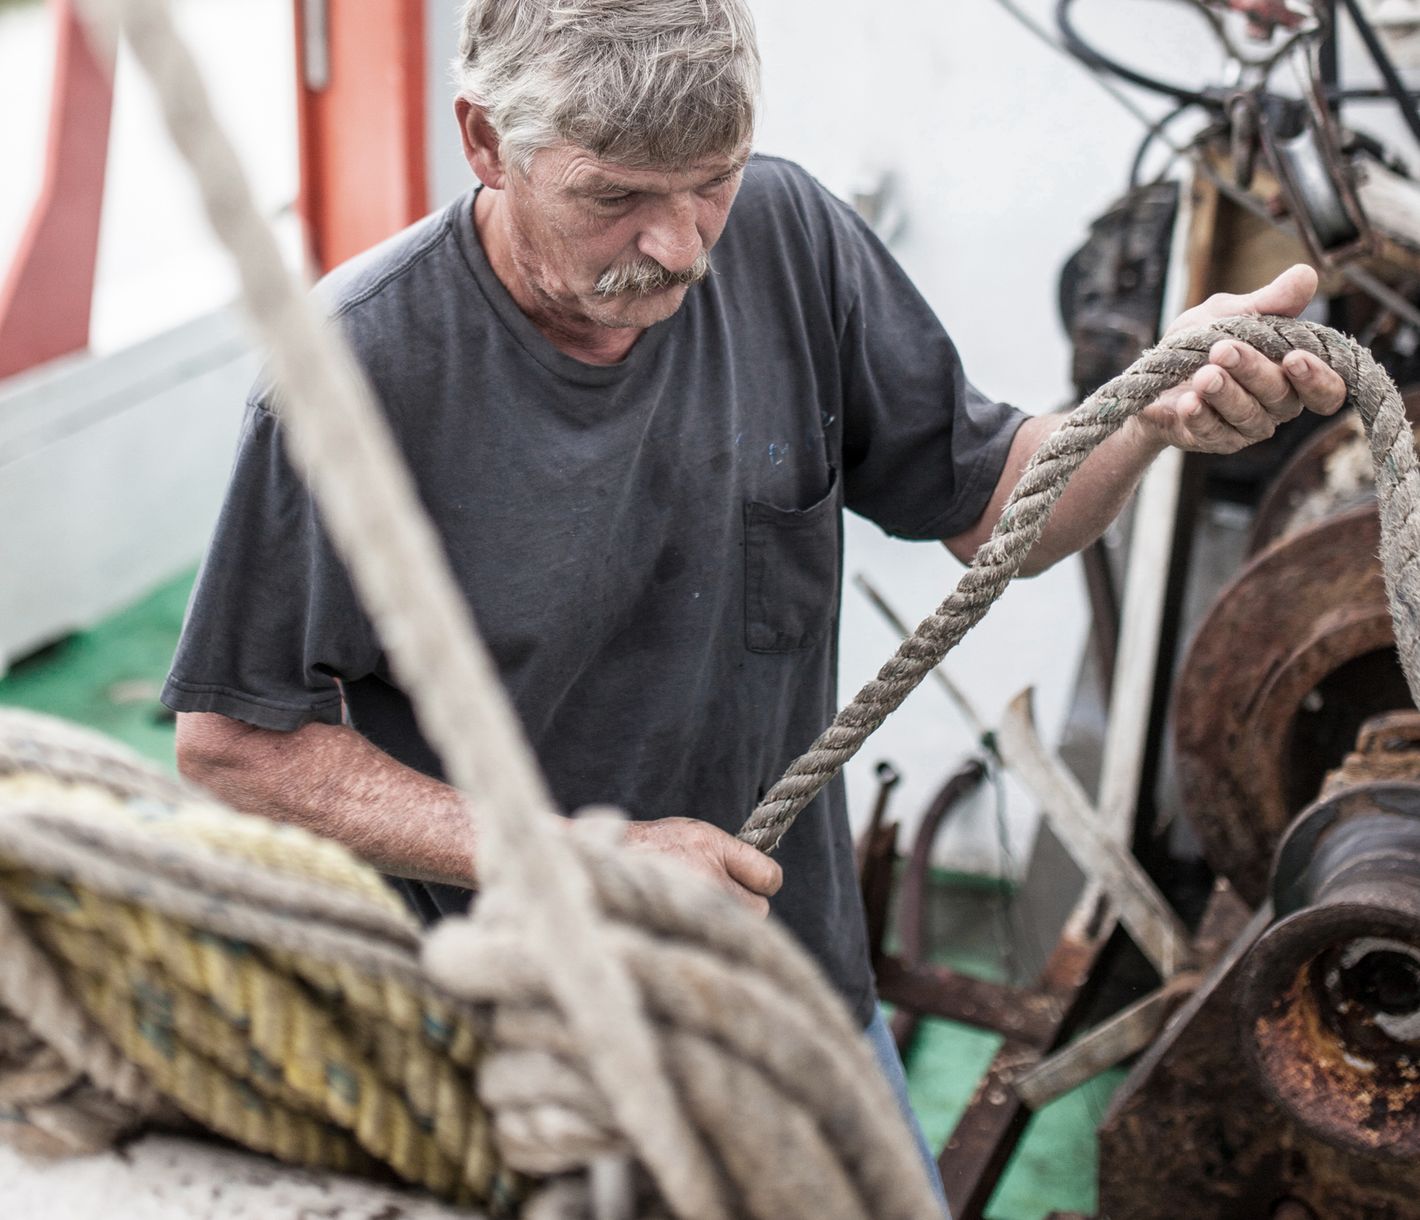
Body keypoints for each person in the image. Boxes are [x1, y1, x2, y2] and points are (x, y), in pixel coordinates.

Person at [160, 0, 1347, 1208]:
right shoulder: (356, 372)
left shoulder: (785, 234)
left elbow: (1001, 510)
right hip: (516, 1040)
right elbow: (236, 743)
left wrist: (1142, 409)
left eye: (708, 183)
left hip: (795, 988)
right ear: (484, 142)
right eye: (615, 196)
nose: (677, 246)